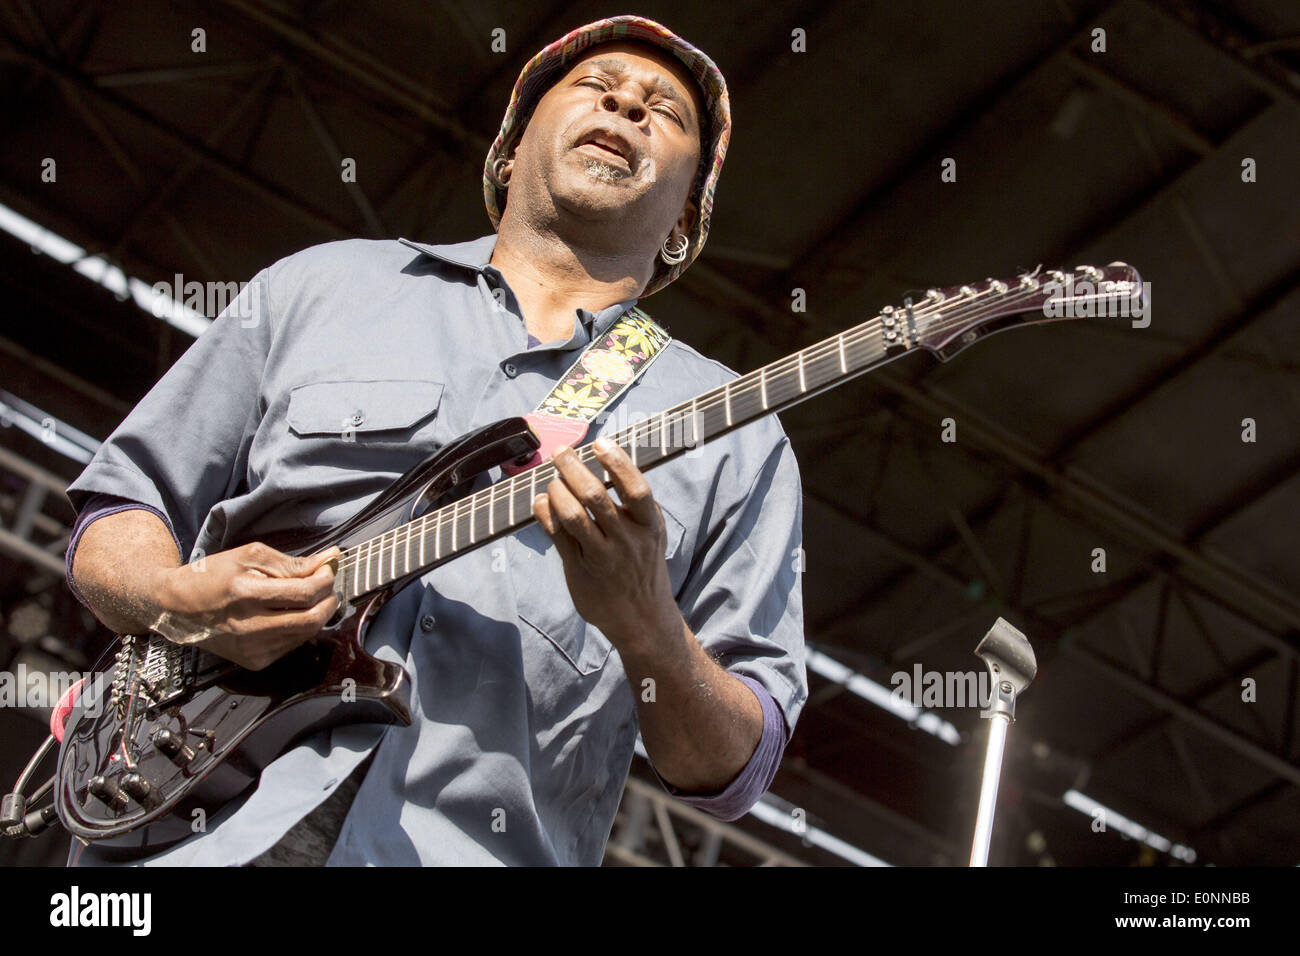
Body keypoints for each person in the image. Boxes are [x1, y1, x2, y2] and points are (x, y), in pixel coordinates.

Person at [65, 15, 806, 866]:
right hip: (188, 835)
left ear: (687, 219)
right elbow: (123, 504)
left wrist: (647, 627)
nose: (628, 104)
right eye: (596, 88)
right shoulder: (327, 284)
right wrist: (178, 598)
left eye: (666, 111)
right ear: (509, 149)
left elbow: (734, 767)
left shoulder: (734, 432)